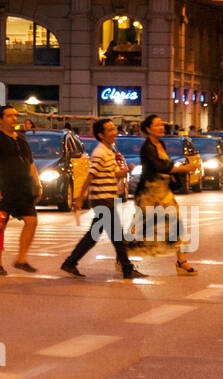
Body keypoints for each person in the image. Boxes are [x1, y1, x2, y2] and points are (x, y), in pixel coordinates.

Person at [62, 119, 143, 279]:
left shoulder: (108, 151)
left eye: (114, 129)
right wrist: (79, 197)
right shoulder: (100, 152)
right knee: (117, 237)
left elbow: (114, 173)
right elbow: (91, 175)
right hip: (102, 199)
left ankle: (70, 262)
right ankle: (127, 268)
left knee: (94, 236)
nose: (114, 132)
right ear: (101, 135)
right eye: (110, 130)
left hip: (107, 198)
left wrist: (127, 170)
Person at [131, 115, 198, 275]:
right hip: (149, 193)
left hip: (164, 193)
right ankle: (122, 257)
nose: (161, 127)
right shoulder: (147, 148)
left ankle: (182, 261)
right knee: (139, 230)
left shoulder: (160, 144)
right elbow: (160, 167)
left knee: (176, 225)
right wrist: (184, 168)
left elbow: (166, 166)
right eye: (157, 125)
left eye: (162, 125)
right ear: (148, 129)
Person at [0, 106, 41, 275]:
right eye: (9, 116)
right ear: (0, 119)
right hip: (3, 188)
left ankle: (21, 259)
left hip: (23, 187)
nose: (14, 119)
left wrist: (38, 183)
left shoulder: (21, 139)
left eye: (15, 116)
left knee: (32, 221)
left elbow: (30, 163)